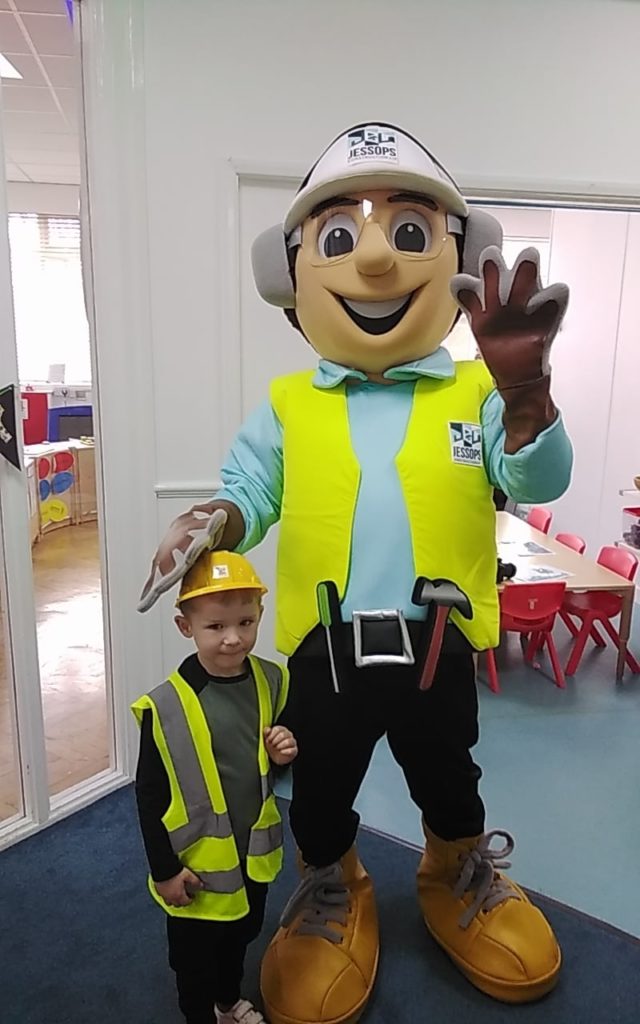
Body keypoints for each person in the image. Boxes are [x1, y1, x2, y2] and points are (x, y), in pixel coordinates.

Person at [138, 122, 573, 1023]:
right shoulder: (289, 404)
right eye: (339, 238)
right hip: (325, 650)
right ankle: (332, 880)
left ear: (463, 258)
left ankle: (455, 868)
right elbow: (249, 490)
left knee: (448, 771)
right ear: (290, 271)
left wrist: (527, 399)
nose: (376, 261)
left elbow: (537, 482)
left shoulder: (477, 392)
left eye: (411, 233)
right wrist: (212, 520)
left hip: (439, 642)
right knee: (322, 782)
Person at [132, 550, 297, 1024]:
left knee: (241, 935)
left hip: (252, 854)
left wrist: (283, 751)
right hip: (194, 866)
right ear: (186, 627)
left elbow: (271, 764)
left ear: (260, 614)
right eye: (215, 626)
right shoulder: (165, 706)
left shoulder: (271, 680)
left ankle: (227, 1002)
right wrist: (164, 870)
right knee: (193, 959)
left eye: (246, 622)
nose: (233, 638)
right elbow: (148, 795)